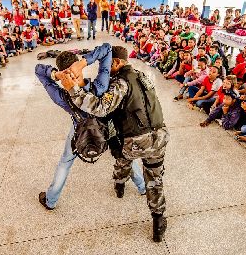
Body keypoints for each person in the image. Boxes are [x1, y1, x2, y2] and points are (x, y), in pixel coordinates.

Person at [61, 45, 169, 242]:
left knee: (122, 159)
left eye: (109, 65)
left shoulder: (120, 82)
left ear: (117, 62)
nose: (106, 69)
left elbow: (100, 108)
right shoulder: (142, 75)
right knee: (155, 179)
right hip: (160, 136)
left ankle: (119, 184)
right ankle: (158, 221)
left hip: (135, 140)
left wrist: (73, 90)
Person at [35, 43, 146, 210]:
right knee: (124, 156)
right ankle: (142, 186)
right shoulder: (100, 85)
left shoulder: (62, 97)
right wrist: (83, 62)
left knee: (65, 163)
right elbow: (107, 49)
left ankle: (51, 200)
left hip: (80, 130)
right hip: (108, 127)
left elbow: (38, 70)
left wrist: (56, 75)